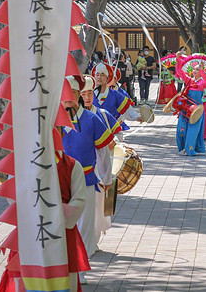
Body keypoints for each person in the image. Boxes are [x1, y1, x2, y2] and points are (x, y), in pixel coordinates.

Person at [0, 149, 91, 292]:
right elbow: (13, 196)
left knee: (63, 279)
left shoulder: (72, 165)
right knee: (25, 279)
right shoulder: (21, 164)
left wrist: (52, 216)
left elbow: (79, 201)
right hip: (31, 231)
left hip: (62, 234)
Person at [61, 75, 116, 284]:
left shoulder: (92, 119)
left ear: (78, 96)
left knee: (84, 225)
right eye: (63, 94)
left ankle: (78, 269)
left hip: (85, 178)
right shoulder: (53, 120)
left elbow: (103, 152)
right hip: (57, 181)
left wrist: (106, 177)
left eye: (71, 94)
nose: (67, 99)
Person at [79, 75, 123, 248]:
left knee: (97, 209)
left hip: (98, 169)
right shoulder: (71, 117)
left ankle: (92, 242)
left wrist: (114, 142)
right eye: (83, 94)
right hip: (78, 170)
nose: (87, 97)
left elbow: (116, 135)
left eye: (90, 93)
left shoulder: (101, 115)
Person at [93, 63, 143, 141]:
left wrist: (137, 117)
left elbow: (127, 109)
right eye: (97, 75)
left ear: (107, 78)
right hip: (93, 133)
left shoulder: (115, 95)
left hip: (111, 132)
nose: (99, 77)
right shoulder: (89, 95)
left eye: (102, 75)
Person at [173, 53, 206, 156]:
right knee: (181, 129)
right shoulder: (189, 81)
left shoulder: (204, 82)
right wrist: (178, 59)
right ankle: (182, 148)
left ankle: (190, 149)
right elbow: (180, 72)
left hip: (197, 110)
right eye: (194, 69)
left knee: (193, 131)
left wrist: (204, 73)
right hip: (186, 108)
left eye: (198, 69)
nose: (195, 71)